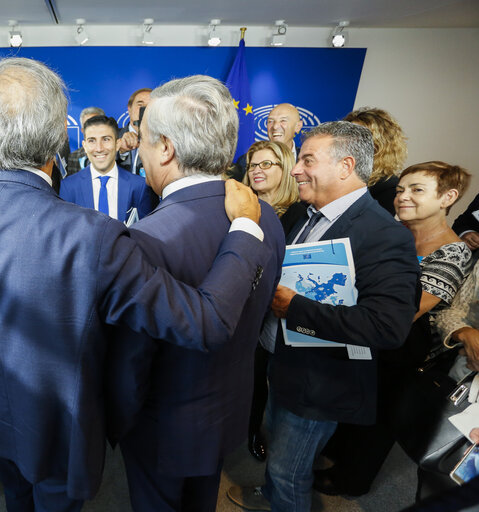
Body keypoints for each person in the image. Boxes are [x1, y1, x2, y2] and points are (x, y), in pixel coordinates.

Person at [0, 57, 270, 512]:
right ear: (60, 139)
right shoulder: (92, 236)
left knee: (17, 501)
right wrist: (244, 229)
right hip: (55, 427)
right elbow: (207, 322)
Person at [106, 75, 285, 512]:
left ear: (165, 147)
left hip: (161, 428)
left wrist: (117, 422)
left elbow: (131, 363)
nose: (140, 150)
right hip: (226, 412)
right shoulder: (267, 218)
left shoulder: (142, 241)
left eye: (144, 139)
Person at [227, 121, 421, 512]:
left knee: (289, 473)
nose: (296, 170)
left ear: (346, 166)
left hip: (323, 383)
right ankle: (271, 495)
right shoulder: (303, 212)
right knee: (280, 458)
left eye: (307, 160)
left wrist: (292, 308)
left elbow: (388, 326)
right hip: (283, 366)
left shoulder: (385, 235)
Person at [313, 161, 473, 497]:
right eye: (401, 189)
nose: (403, 197)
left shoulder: (454, 251)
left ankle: (352, 482)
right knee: (354, 409)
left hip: (405, 354)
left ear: (448, 197)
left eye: (417, 190)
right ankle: (336, 458)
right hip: (366, 338)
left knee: (378, 422)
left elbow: (407, 313)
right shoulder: (395, 233)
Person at [241, 139, 305, 462]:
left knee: (260, 378)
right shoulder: (238, 205)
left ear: (284, 169)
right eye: (253, 165)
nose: (257, 170)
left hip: (272, 312)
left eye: (267, 164)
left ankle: (254, 431)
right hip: (237, 305)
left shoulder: (297, 214)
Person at [59, 115, 155, 222]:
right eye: (92, 141)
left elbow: (144, 234)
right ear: (84, 146)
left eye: (106, 139)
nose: (99, 148)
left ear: (117, 144)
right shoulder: (68, 187)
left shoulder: (139, 187)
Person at [344, 107, 408, 215]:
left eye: (361, 136)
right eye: (349, 133)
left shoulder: (388, 186)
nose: (351, 140)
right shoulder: (333, 171)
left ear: (379, 144)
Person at [229, 103, 303, 182]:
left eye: (283, 120)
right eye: (270, 121)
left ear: (298, 126)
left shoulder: (306, 159)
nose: (275, 126)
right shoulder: (246, 160)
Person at [117, 87, 152, 175]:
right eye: (140, 105)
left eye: (150, 105)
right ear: (129, 109)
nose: (145, 110)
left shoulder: (164, 140)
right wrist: (120, 151)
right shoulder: (113, 136)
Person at [66, 107, 105, 174]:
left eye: (95, 124)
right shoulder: (73, 158)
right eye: (87, 125)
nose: (92, 129)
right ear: (82, 131)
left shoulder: (116, 154)